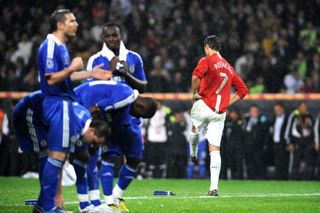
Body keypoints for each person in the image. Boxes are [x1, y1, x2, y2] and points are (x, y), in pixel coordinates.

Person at [37, 9, 112, 212]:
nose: (76, 23)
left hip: (61, 103)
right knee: (57, 156)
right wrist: (72, 67)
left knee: (57, 157)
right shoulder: (52, 45)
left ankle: (45, 205)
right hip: (56, 103)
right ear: (60, 25)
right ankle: (47, 206)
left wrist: (90, 73)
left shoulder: (60, 46)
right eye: (72, 20)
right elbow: (51, 78)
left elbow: (64, 78)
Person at [12, 91, 110, 213]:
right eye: (94, 142)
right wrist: (58, 195)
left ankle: (43, 205)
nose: (91, 145)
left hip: (41, 112)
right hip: (29, 110)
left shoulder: (84, 118)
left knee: (50, 156)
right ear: (91, 130)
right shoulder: (74, 126)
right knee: (47, 156)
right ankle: (47, 206)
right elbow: (58, 158)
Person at [86, 22, 148, 212]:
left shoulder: (134, 57)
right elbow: (91, 90)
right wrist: (111, 72)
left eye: (115, 35)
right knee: (109, 158)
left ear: (122, 35)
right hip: (107, 118)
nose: (112, 39)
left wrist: (125, 73)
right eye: (108, 36)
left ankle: (117, 196)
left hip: (130, 117)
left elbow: (143, 86)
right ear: (103, 38)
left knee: (135, 158)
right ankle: (109, 203)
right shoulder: (96, 59)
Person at [74, 80, 157, 212]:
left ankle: (101, 200)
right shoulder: (124, 99)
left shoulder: (127, 96)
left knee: (92, 154)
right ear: (139, 107)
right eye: (140, 115)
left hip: (89, 105)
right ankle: (92, 203)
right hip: (81, 103)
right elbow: (95, 108)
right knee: (85, 154)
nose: (137, 116)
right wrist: (85, 124)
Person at [189, 35, 248, 196]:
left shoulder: (206, 60)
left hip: (204, 105)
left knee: (194, 128)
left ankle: (193, 152)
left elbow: (195, 77)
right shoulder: (229, 67)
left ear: (208, 46)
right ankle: (213, 188)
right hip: (220, 112)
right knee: (215, 149)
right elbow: (243, 91)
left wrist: (194, 93)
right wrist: (227, 103)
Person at [285, 101, 315, 180]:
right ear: (299, 107)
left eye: (305, 106)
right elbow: (289, 130)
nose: (303, 108)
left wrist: (313, 142)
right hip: (297, 143)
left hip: (307, 143)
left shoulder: (309, 116)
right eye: (302, 106)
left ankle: (308, 179)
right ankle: (294, 179)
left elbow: (313, 130)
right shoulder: (294, 116)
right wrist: (290, 142)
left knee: (308, 162)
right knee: (295, 162)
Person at [243, 105, 269, 179]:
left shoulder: (262, 121)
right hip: (248, 147)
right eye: (252, 111)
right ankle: (250, 178)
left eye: (255, 111)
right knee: (249, 164)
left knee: (259, 164)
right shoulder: (246, 120)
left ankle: (260, 179)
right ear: (250, 112)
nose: (254, 112)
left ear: (258, 112)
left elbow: (264, 134)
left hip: (258, 147)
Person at [270, 103, 289, 180]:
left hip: (283, 143)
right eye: (275, 110)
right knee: (277, 161)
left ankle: (284, 178)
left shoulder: (287, 118)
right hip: (276, 143)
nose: (277, 111)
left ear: (282, 109)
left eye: (278, 109)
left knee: (284, 161)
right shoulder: (274, 118)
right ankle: (278, 178)